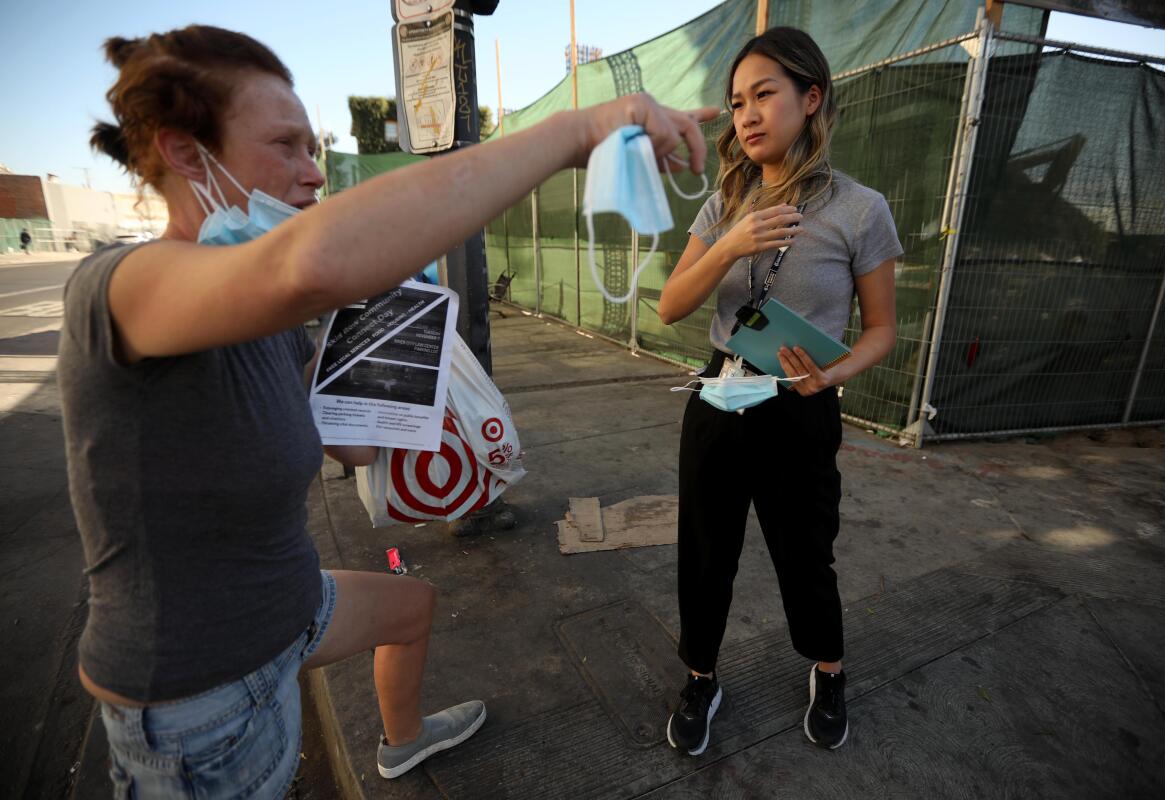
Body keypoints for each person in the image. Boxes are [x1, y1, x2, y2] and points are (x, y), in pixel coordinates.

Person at [63, 25, 712, 798]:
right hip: (196, 695)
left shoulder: (261, 321)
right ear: (183, 153)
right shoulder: (118, 287)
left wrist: (391, 369)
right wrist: (578, 133)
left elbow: (353, 455)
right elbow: (313, 265)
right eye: (286, 146)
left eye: (315, 148)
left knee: (412, 602)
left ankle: (401, 743)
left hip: (284, 606)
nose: (311, 174)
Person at [657, 27, 901, 755]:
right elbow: (671, 305)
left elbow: (883, 329)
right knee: (704, 551)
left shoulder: (860, 209)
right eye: (737, 103)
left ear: (811, 97)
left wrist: (834, 375)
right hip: (719, 395)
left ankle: (829, 669)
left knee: (805, 552)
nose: (748, 114)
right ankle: (701, 676)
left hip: (800, 403)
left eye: (765, 93)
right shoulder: (724, 203)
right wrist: (731, 243)